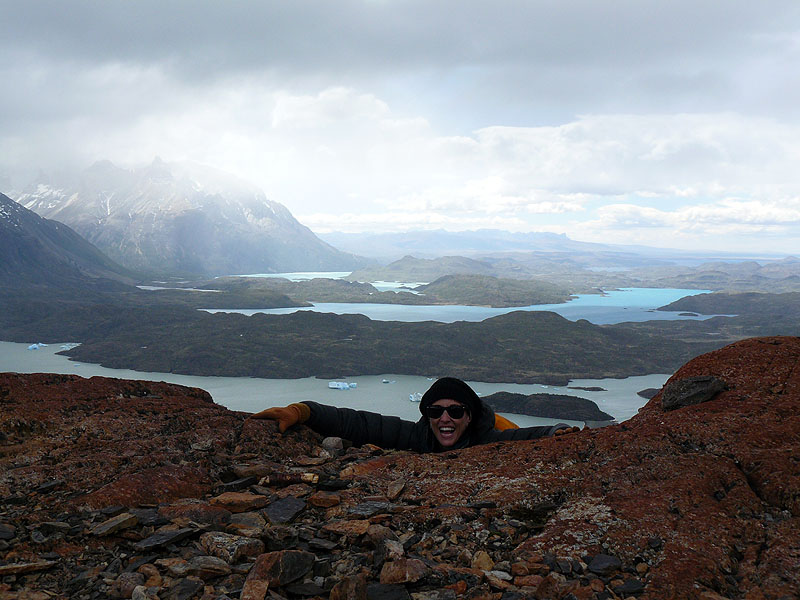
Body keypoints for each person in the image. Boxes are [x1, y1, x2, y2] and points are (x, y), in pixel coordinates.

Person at [249, 376, 579, 453]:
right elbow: (359, 424)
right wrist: (301, 411)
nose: (445, 418)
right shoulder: (416, 436)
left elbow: (524, 436)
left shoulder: (488, 438)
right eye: (435, 411)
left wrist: (558, 431)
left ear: (469, 415)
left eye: (455, 411)